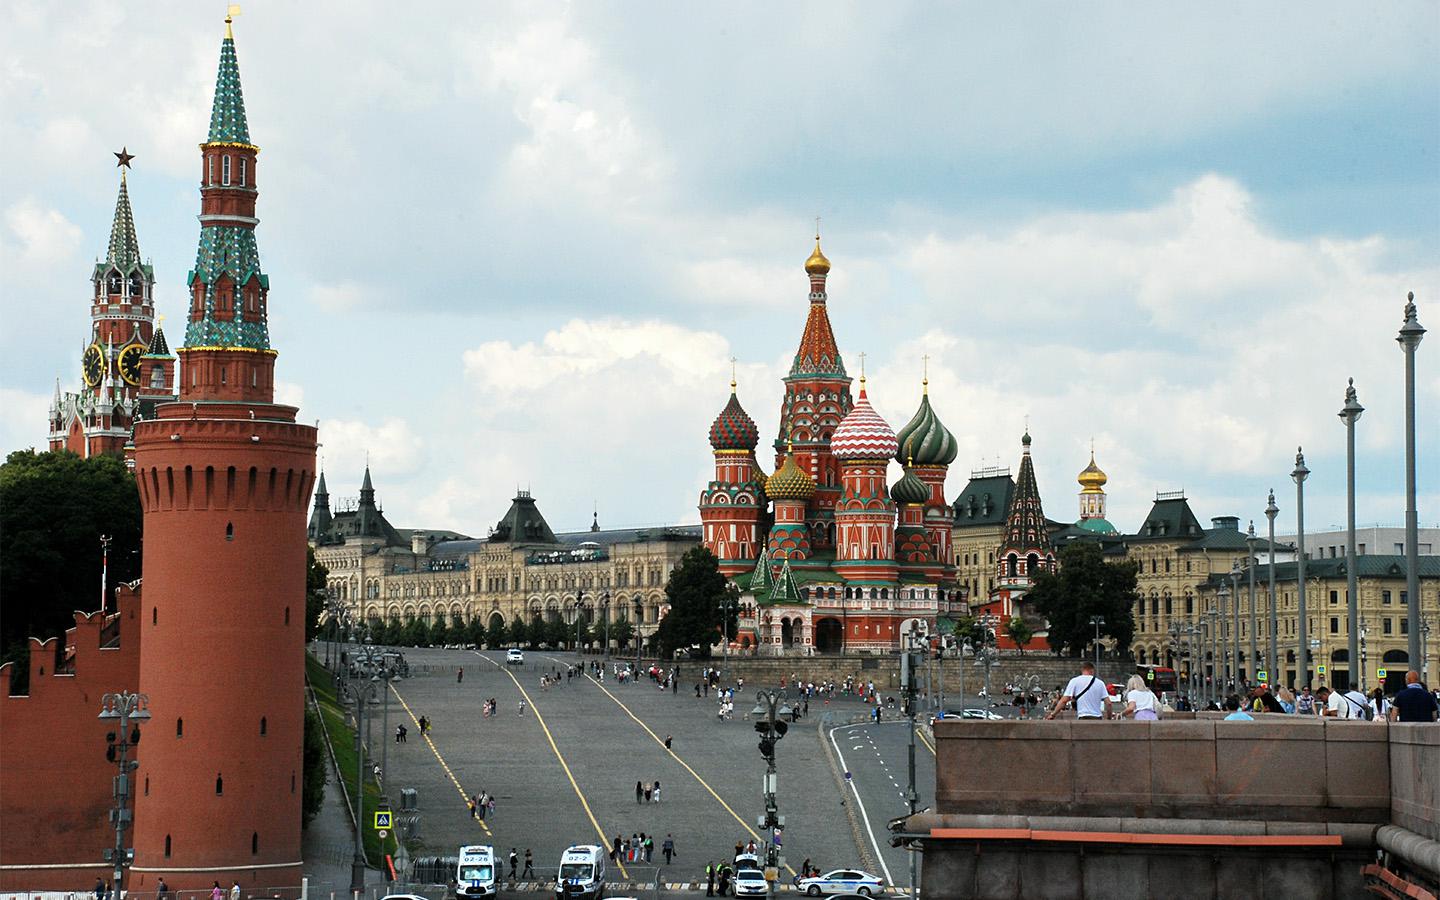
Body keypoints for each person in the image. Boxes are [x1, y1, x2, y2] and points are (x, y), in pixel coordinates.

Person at [1046, 661, 1112, 720]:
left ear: (1082, 670)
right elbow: (1108, 703)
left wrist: (1053, 714)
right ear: (1092, 670)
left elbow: (1063, 701)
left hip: (1083, 717)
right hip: (1097, 718)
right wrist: (1109, 717)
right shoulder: (1100, 683)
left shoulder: (1074, 681)